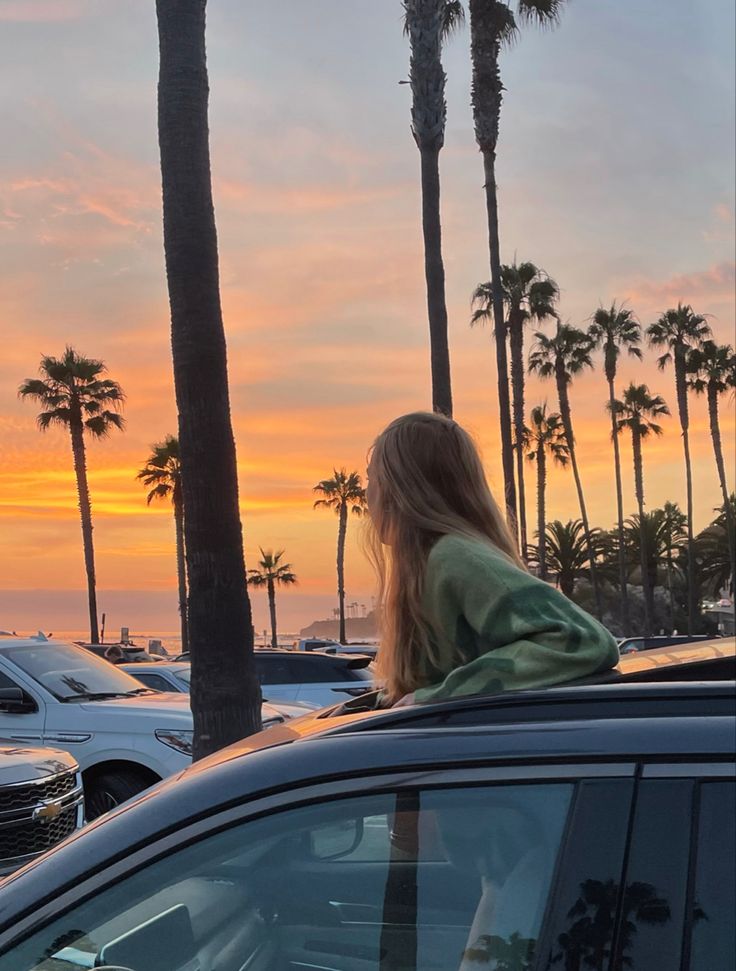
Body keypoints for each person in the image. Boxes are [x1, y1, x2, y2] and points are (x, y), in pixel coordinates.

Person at [365, 412, 619, 706]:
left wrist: (436, 697)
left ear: (400, 489)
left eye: (372, 477)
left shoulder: (454, 557)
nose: (368, 491)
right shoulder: (435, 562)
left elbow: (584, 642)